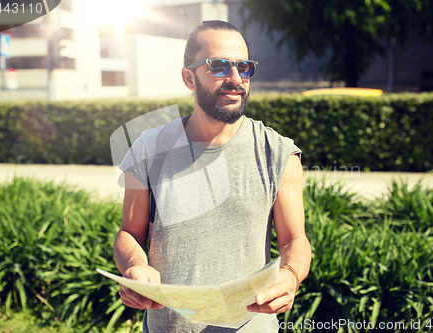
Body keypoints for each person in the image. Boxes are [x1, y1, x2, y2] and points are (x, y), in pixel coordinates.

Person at [113, 20, 312, 332]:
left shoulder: (279, 152)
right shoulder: (148, 148)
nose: (235, 78)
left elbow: (295, 239)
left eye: (244, 67)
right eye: (219, 66)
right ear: (189, 78)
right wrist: (135, 267)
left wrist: (290, 274)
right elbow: (129, 234)